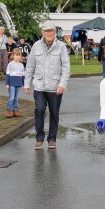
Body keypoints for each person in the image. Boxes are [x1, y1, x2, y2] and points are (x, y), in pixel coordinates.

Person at [24, 22, 70, 150]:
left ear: (55, 32)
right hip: (39, 86)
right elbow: (30, 65)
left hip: (55, 87)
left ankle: (52, 139)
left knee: (54, 113)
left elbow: (66, 67)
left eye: (51, 31)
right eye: (46, 31)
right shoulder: (36, 46)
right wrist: (27, 83)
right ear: (42, 32)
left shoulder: (61, 46)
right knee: (39, 110)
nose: (49, 33)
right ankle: (39, 138)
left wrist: (63, 84)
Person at [5, 48, 25, 118]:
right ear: (13, 55)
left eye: (19, 55)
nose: (18, 56)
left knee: (16, 98)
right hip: (11, 84)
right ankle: (9, 110)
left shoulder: (21, 65)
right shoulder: (10, 64)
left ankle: (15, 111)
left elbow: (23, 75)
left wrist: (24, 84)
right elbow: (7, 74)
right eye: (16, 55)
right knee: (11, 98)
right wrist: (7, 83)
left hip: (18, 84)